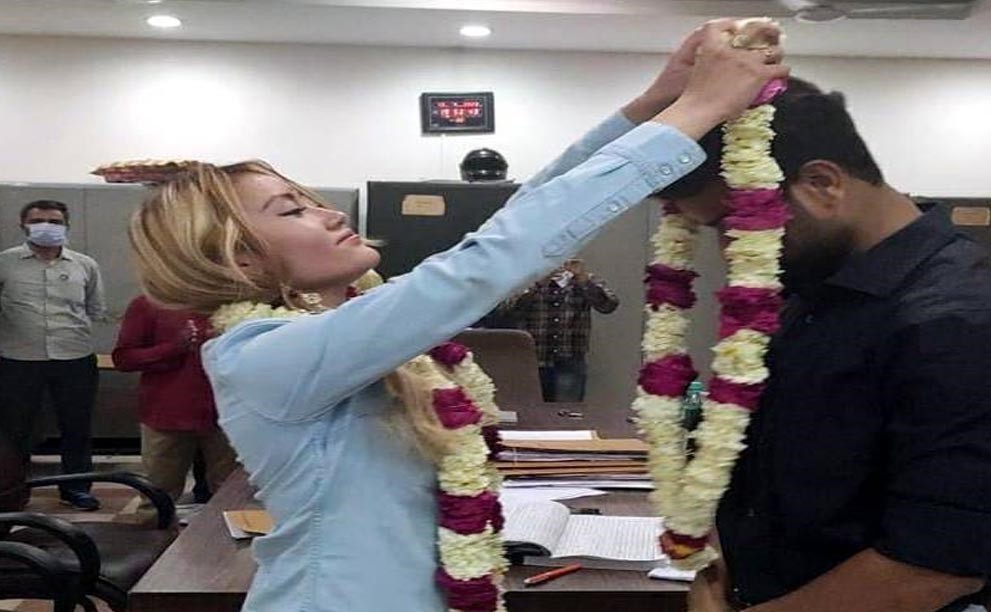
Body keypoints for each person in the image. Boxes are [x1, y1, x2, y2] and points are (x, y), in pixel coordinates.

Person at [124, 20, 788, 612]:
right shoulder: (264, 353)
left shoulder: (350, 325)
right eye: (292, 210)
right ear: (238, 258)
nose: (327, 212)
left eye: (310, 198)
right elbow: (490, 259)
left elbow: (512, 220)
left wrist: (656, 105)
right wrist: (701, 109)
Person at [666, 78, 991, 612]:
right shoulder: (817, 292)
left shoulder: (974, 325)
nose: (728, 250)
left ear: (822, 184)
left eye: (733, 223)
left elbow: (930, 570)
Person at [0, 200, 105, 511]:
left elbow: (95, 308)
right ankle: (12, 491)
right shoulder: (5, 263)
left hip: (74, 358)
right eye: (38, 220)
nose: (46, 226)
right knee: (16, 429)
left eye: (55, 221)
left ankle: (76, 489)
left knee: (77, 428)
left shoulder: (84, 265)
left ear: (66, 226)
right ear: (23, 225)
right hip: (18, 359)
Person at [112, 295, 239, 514]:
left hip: (229, 412)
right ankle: (156, 536)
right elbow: (124, 359)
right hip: (168, 413)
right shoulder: (150, 303)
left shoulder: (238, 301)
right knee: (157, 501)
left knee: (232, 498)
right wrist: (173, 347)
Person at [503, 258, 619, 401]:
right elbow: (506, 309)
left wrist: (584, 280)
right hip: (530, 361)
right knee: (528, 409)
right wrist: (538, 283)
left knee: (566, 411)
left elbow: (608, 306)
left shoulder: (584, 280)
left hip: (569, 361)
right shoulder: (527, 280)